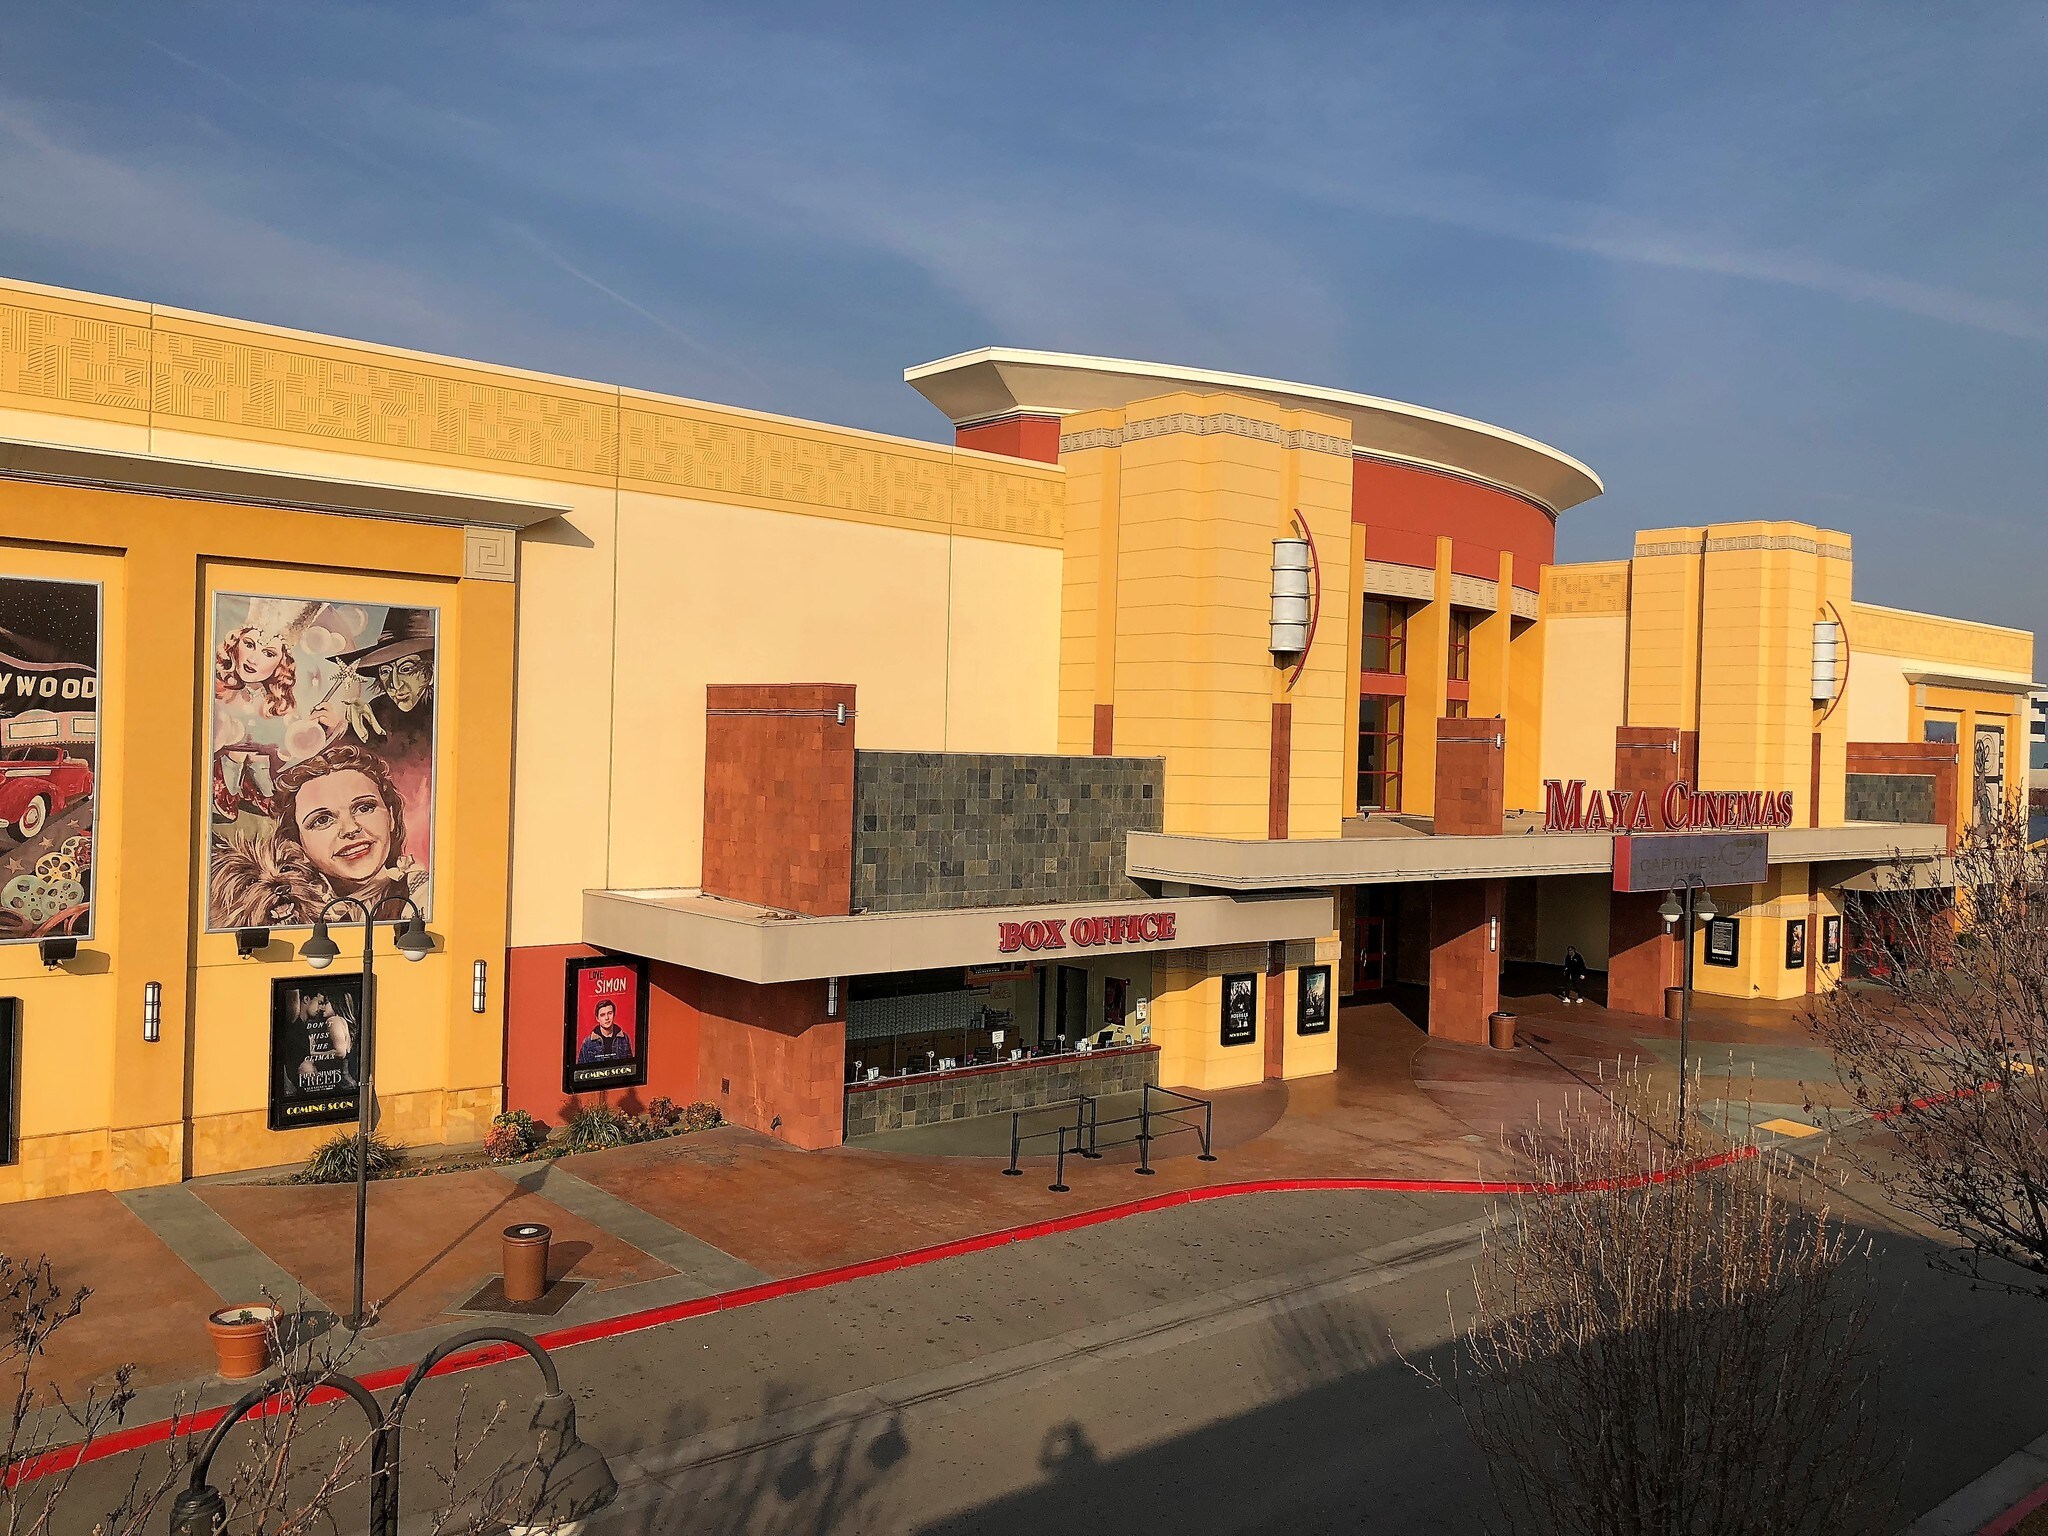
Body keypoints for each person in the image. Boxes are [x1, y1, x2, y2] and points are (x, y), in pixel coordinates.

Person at [270, 742, 426, 921]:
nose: (351, 829)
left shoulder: (422, 894)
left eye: (364, 808)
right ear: (297, 845)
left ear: (390, 817)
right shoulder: (286, 912)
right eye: (322, 820)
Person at [577, 999, 634, 1064]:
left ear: (614, 1015)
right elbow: (581, 1067)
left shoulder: (624, 1038)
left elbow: (630, 1064)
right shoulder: (588, 1043)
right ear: (597, 1018)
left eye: (610, 1013)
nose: (607, 1018)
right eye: (602, 1015)